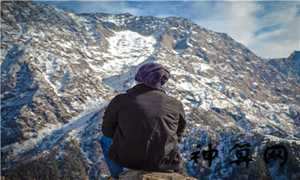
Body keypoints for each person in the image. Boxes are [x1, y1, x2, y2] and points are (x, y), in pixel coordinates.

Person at [100, 62, 186, 178]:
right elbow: (178, 135)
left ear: (139, 77)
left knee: (105, 140)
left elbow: (107, 131)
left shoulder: (121, 100)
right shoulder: (176, 104)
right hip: (164, 163)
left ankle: (119, 175)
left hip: (129, 160)